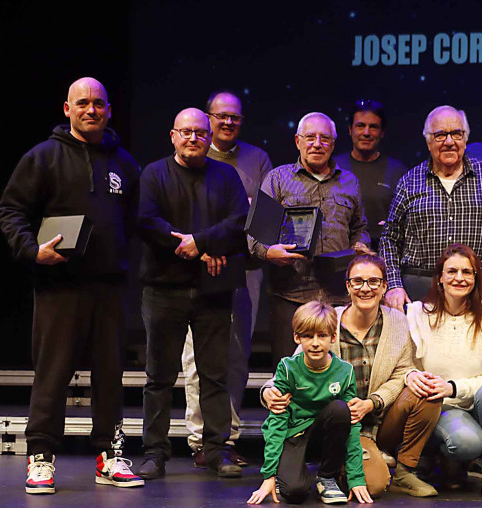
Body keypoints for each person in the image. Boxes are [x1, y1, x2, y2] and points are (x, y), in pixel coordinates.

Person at [0, 77, 143, 494]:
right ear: (67, 109)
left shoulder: (124, 162)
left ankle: (110, 455)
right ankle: (41, 457)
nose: (91, 110)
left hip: (109, 287)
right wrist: (32, 250)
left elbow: (135, 218)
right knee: (53, 373)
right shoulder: (44, 157)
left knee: (110, 375)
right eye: (82, 103)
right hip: (59, 286)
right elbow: (11, 210)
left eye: (98, 103)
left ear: (109, 110)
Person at [262, 255, 441, 497]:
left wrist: (373, 402)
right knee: (373, 484)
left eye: (373, 281)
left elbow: (403, 371)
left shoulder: (398, 321)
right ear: (348, 286)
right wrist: (268, 391)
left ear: (384, 287)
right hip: (335, 423)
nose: (365, 288)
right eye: (357, 281)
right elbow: (295, 365)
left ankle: (404, 472)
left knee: (427, 393)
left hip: (377, 420)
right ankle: (338, 465)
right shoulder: (328, 321)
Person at [136, 108, 249, 479]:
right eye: (186, 132)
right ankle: (155, 452)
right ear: (173, 136)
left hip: (212, 291)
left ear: (209, 137)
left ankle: (216, 450)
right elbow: (147, 221)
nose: (193, 138)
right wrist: (194, 248)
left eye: (200, 133)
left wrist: (201, 241)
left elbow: (238, 222)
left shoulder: (226, 175)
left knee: (214, 375)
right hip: (163, 288)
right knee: (159, 377)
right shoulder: (154, 174)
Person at [182, 91, 273, 468]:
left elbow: (265, 218)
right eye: (221, 116)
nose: (227, 122)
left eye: (234, 117)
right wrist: (206, 247)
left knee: (236, 355)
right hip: (196, 266)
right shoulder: (193, 154)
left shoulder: (257, 159)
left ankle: (227, 437)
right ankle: (198, 439)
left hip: (243, 268)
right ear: (208, 118)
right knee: (195, 357)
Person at [250, 112, 371, 366]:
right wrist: (268, 252)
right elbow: (255, 235)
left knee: (338, 370)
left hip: (339, 296)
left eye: (324, 138)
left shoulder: (350, 181)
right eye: (310, 137)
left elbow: (360, 227)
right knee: (288, 372)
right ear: (298, 141)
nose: (317, 144)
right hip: (290, 294)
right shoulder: (278, 179)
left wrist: (360, 246)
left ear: (333, 144)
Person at [405, 244, 482, 498]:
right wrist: (412, 376)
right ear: (440, 277)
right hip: (444, 408)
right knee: (466, 444)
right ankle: (446, 458)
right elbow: (408, 365)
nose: (459, 278)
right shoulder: (419, 314)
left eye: (467, 272)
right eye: (452, 271)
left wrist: (454, 387)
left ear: (476, 278)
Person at [248, 301, 373, 505]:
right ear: (297, 338)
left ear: (333, 337)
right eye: (308, 336)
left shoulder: (345, 371)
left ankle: (326, 477)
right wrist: (268, 475)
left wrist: (356, 478)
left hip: (323, 435)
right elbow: (277, 420)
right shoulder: (287, 368)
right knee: (294, 492)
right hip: (295, 434)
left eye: (322, 336)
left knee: (341, 410)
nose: (315, 343)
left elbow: (352, 425)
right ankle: (289, 473)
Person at [381, 106, 482, 308]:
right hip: (420, 290)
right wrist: (394, 285)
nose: (449, 142)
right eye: (440, 135)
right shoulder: (409, 181)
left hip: (478, 290)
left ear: (465, 138)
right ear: (428, 141)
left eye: (456, 134)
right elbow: (389, 239)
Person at [333, 99, 408, 251]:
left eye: (373, 127)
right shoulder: (334, 167)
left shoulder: (398, 171)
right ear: (350, 130)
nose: (366, 133)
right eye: (360, 126)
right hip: (340, 254)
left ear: (382, 133)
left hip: (385, 255)